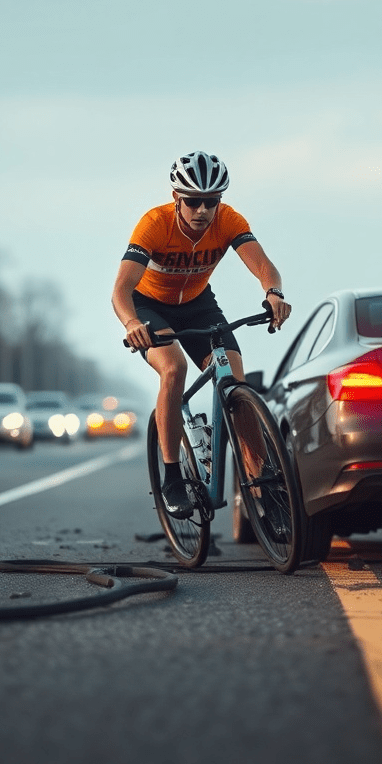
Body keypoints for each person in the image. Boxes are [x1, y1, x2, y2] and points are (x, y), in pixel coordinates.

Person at [112, 151, 292, 518]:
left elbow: (263, 265)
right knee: (174, 368)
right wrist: (132, 324)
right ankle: (173, 476)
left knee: (235, 388)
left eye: (211, 201)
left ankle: (263, 487)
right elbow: (121, 290)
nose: (202, 211)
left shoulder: (228, 221)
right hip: (150, 307)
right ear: (177, 197)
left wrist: (274, 293)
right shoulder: (154, 224)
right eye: (193, 201)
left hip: (198, 304)